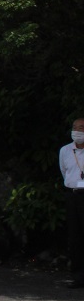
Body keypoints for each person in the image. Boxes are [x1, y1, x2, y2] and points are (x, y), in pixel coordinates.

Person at [60, 117, 84, 289]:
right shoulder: (65, 150)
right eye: (75, 127)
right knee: (75, 237)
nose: (77, 131)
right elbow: (64, 171)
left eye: (81, 128)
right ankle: (78, 276)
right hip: (72, 195)